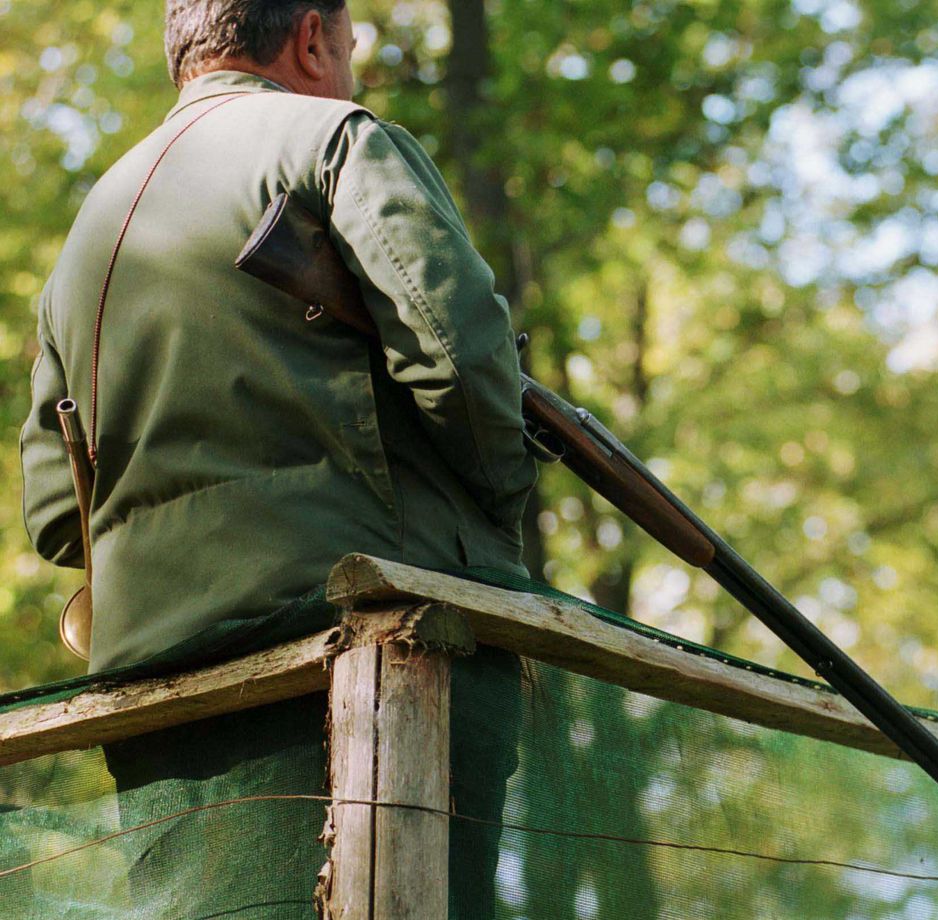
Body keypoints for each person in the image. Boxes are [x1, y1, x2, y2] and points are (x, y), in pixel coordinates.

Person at [18, 1, 534, 915]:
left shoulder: (87, 234)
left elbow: (59, 517)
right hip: (375, 647)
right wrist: (498, 519)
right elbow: (464, 367)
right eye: (346, 50)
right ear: (309, 36)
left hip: (154, 688)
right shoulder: (333, 137)